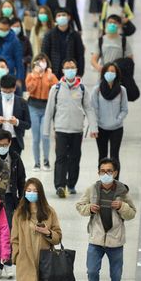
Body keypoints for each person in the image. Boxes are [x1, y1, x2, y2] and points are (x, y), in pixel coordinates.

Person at [75, 158, 136, 281]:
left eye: (109, 171)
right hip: (96, 239)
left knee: (116, 276)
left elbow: (132, 213)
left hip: (115, 241)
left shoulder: (123, 191)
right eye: (102, 171)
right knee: (92, 272)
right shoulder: (92, 189)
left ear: (115, 173)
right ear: (98, 172)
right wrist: (89, 209)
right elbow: (79, 206)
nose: (106, 174)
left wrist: (122, 207)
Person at [10, 178, 63, 281]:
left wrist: (47, 232)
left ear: (40, 193)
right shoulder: (19, 213)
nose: (31, 193)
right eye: (28, 190)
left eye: (35, 190)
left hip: (45, 258)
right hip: (25, 259)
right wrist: (17, 255)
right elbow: (14, 238)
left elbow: (58, 236)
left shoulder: (49, 212)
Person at [43, 59, 96, 197]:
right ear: (63, 70)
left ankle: (71, 184)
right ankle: (60, 185)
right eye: (67, 67)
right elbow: (49, 111)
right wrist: (46, 131)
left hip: (77, 130)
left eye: (72, 67)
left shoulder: (83, 89)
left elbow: (89, 108)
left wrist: (93, 127)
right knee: (60, 157)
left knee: (75, 158)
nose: (70, 70)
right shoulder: (56, 89)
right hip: (61, 129)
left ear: (76, 69)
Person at [25, 53, 58, 171]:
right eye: (38, 61)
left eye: (43, 61)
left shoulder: (50, 75)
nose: (41, 63)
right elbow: (30, 89)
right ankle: (37, 162)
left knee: (45, 135)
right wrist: (36, 76)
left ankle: (46, 160)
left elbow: (56, 89)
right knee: (35, 137)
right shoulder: (30, 76)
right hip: (33, 107)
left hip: (46, 108)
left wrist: (48, 78)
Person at [92, 62, 128, 168]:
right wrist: (97, 123)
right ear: (103, 73)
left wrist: (118, 120)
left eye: (112, 71)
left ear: (116, 74)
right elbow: (94, 109)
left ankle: (115, 182)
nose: (110, 73)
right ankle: (103, 182)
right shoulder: (97, 90)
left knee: (114, 157)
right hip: (101, 128)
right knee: (102, 156)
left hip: (116, 129)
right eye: (108, 71)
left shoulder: (122, 90)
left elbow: (124, 109)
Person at [0, 75, 30, 155]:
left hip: (15, 141)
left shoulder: (22, 102)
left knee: (14, 166)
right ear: (0, 87)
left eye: (9, 92)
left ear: (14, 88)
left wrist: (16, 122)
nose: (7, 94)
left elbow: (28, 124)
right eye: (4, 91)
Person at [40, 9, 85, 80]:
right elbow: (44, 54)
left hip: (70, 72)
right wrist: (46, 70)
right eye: (59, 15)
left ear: (69, 17)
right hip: (53, 72)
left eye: (64, 15)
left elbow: (80, 55)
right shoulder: (49, 35)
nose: (61, 17)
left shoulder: (75, 35)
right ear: (55, 18)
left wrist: (79, 73)